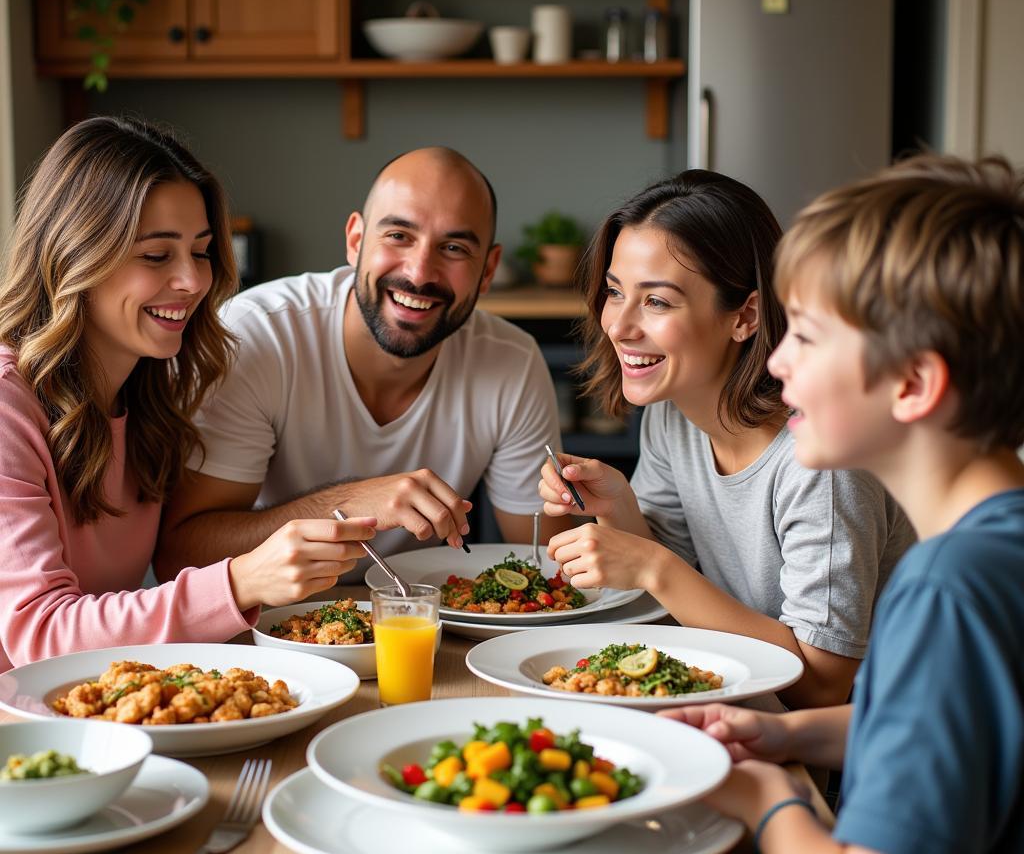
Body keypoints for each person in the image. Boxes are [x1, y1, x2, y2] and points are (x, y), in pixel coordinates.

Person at [665, 154, 1024, 854]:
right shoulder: (999, 547)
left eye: (811, 336)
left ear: (912, 385)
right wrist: (796, 737)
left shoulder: (948, 589)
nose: (779, 359)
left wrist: (763, 798)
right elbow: (965, 730)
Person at [0, 116, 374, 672]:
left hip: (102, 709)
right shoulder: (9, 405)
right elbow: (41, 631)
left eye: (200, 251)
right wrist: (242, 580)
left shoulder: (153, 392)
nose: (194, 280)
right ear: (73, 255)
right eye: (156, 255)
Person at [538, 170, 914, 708]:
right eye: (615, 292)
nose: (618, 325)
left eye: (658, 302)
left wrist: (651, 566)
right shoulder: (674, 414)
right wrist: (618, 507)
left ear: (745, 316)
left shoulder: (820, 461)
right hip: (734, 705)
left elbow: (823, 685)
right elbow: (676, 601)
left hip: (846, 764)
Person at [155, 146, 565, 582]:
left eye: (454, 247)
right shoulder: (257, 335)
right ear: (355, 241)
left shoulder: (511, 362)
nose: (420, 272)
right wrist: (347, 504)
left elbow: (546, 565)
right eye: (399, 236)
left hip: (420, 623)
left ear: (488, 270)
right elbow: (181, 558)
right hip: (270, 628)